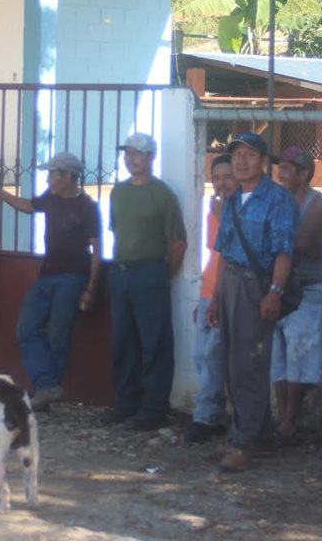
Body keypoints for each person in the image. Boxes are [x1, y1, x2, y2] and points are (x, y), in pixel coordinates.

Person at [207, 132, 297, 473]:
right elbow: (223, 253)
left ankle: (242, 443)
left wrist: (274, 292)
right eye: (236, 155)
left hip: (256, 287)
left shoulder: (277, 199)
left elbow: (284, 250)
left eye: (249, 154)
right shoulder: (231, 200)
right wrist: (215, 298)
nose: (241, 161)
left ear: (263, 161)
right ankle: (253, 432)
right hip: (230, 284)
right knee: (231, 361)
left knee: (249, 364)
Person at [0, 152, 102, 411]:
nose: (49, 179)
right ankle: (47, 385)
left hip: (74, 278)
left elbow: (97, 250)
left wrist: (90, 288)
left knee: (59, 335)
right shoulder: (50, 199)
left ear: (69, 176)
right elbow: (27, 206)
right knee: (26, 328)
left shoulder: (88, 207)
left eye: (53, 174)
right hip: (47, 275)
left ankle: (45, 391)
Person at [106, 133, 187, 431]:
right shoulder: (118, 192)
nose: (131, 158)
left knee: (154, 343)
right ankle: (126, 404)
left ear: (150, 157)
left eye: (137, 154)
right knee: (123, 341)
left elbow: (178, 243)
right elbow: (117, 231)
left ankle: (153, 409)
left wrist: (161, 277)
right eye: (127, 153)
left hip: (150, 272)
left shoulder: (162, 194)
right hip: (121, 272)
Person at [270, 146, 322, 443]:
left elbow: (299, 241)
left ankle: (290, 419)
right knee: (279, 356)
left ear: (304, 173)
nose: (280, 174)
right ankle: (282, 416)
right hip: (279, 288)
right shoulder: (279, 200)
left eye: (286, 169)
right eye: (280, 168)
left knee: (299, 355)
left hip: (306, 288)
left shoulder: (317, 204)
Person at [185, 152, 235, 444]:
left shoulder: (236, 210)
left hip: (226, 293)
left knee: (214, 356)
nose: (220, 182)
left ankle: (204, 417)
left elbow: (230, 248)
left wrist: (221, 216)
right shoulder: (214, 209)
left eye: (226, 176)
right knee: (201, 356)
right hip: (208, 290)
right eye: (215, 177)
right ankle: (214, 413)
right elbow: (213, 254)